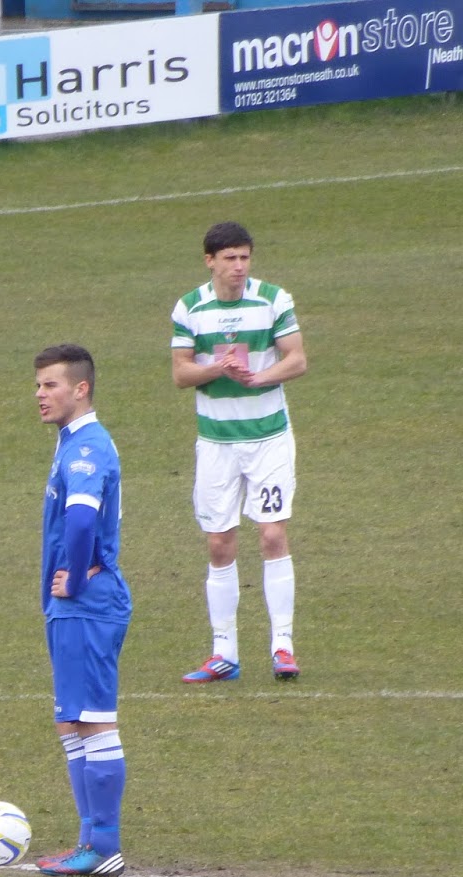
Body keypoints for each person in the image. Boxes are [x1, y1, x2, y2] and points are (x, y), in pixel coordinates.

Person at [170, 222, 308, 684]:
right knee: (218, 542)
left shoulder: (273, 299)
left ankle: (282, 646)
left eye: (244, 257)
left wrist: (260, 377)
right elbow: (181, 374)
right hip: (216, 444)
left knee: (271, 536)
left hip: (268, 438)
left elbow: (297, 359)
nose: (238, 267)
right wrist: (216, 368)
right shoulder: (190, 308)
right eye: (229, 258)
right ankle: (223, 652)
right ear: (210, 260)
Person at [29, 345, 132, 877]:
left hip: (88, 605)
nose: (40, 395)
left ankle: (105, 845)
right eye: (39, 385)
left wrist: (74, 571)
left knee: (93, 721)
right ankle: (89, 839)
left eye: (50, 385)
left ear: (80, 389)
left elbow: (81, 521)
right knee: (72, 722)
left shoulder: (87, 448)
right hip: (74, 606)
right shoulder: (73, 444)